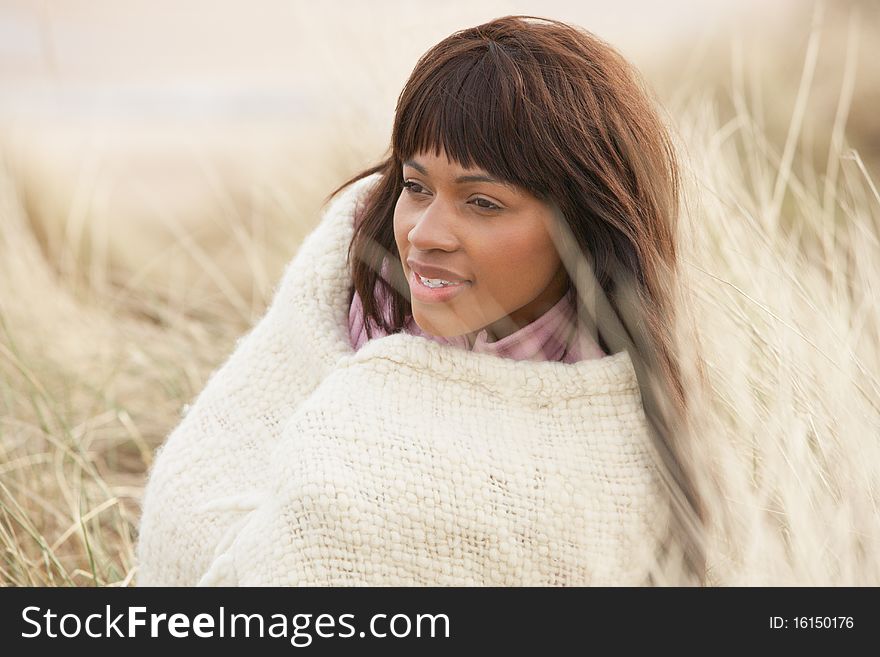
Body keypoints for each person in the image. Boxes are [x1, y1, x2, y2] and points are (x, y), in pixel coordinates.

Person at [137, 15, 707, 586]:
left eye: (482, 202)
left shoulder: (626, 407)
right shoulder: (352, 293)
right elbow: (199, 494)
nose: (424, 234)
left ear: (580, 224)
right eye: (416, 188)